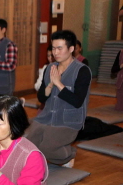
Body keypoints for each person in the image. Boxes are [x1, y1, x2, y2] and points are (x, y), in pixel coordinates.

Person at [26, 30, 91, 168]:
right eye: (54, 48)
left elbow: (77, 101)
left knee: (46, 147)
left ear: (71, 49)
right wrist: (50, 84)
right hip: (47, 117)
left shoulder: (82, 71)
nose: (55, 52)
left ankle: (68, 155)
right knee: (25, 143)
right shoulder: (50, 67)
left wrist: (59, 84)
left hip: (68, 121)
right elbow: (41, 97)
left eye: (59, 48)